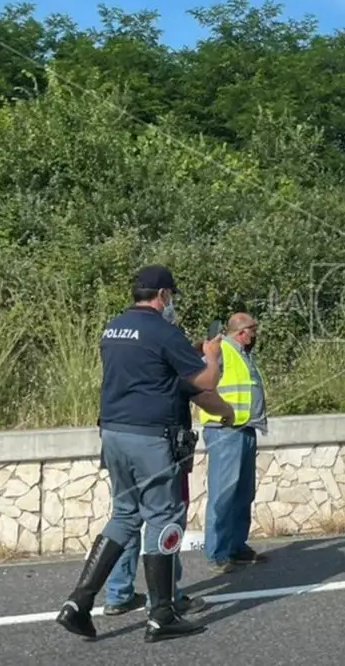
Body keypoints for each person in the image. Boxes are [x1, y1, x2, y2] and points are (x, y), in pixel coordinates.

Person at [55, 265, 224, 643]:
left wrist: (188, 353)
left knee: (124, 515)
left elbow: (148, 368)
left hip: (114, 433)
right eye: (172, 297)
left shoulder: (113, 328)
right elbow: (205, 381)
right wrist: (211, 354)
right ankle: (162, 614)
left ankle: (78, 604)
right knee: (164, 517)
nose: (172, 304)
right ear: (163, 295)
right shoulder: (164, 330)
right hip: (151, 438)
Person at [102, 368, 234, 616]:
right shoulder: (170, 367)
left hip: (120, 441)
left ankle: (118, 594)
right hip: (161, 451)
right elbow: (204, 393)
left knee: (125, 517)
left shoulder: (128, 370)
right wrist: (227, 410)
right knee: (166, 523)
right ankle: (166, 596)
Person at [195, 312, 271, 573]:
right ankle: (217, 552)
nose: (255, 335)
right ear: (242, 332)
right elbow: (203, 385)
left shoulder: (241, 353)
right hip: (225, 429)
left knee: (243, 493)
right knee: (224, 492)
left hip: (245, 428)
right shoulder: (221, 349)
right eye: (253, 330)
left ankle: (236, 546)